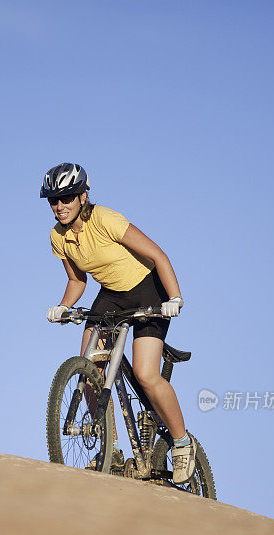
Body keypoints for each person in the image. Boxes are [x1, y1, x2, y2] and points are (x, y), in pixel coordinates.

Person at [41, 162, 196, 484]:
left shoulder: (106, 219)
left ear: (83, 196)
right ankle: (108, 445)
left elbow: (158, 256)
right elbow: (77, 280)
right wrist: (63, 306)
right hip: (110, 295)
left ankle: (182, 443)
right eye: (54, 200)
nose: (60, 206)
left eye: (67, 198)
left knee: (145, 373)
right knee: (88, 364)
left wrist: (174, 299)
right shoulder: (58, 237)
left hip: (147, 291)